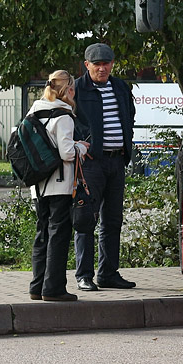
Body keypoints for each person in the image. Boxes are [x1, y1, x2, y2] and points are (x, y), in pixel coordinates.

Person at [73, 43, 137, 291]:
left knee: (112, 220)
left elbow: (129, 115)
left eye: (106, 63)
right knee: (86, 219)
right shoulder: (77, 88)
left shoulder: (120, 86)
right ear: (86, 64)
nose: (102, 68)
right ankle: (84, 275)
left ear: (112, 63)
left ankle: (108, 273)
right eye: (97, 63)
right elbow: (68, 117)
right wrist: (83, 142)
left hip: (116, 160)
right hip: (91, 163)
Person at [27, 71, 91, 301]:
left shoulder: (34, 111)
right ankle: (53, 289)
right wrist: (81, 147)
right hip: (60, 185)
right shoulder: (63, 116)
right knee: (58, 235)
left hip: (37, 185)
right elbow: (66, 152)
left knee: (42, 233)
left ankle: (37, 286)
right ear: (69, 90)